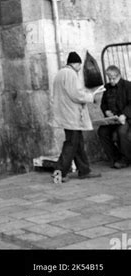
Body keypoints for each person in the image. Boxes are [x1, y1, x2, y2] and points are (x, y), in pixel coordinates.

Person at [52, 51, 105, 182]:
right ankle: (60, 171)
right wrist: (90, 97)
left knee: (77, 143)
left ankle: (84, 170)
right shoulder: (70, 74)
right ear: (76, 63)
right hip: (72, 115)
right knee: (71, 143)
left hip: (66, 113)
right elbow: (76, 94)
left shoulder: (60, 73)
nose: (80, 68)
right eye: (79, 65)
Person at [97, 66, 131, 168]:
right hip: (113, 119)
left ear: (119, 75)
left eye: (113, 78)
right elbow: (103, 104)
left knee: (122, 132)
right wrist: (106, 111)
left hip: (126, 118)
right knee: (102, 132)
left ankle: (126, 159)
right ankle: (115, 157)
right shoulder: (107, 87)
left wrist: (124, 115)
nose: (111, 81)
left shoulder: (128, 86)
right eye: (109, 78)